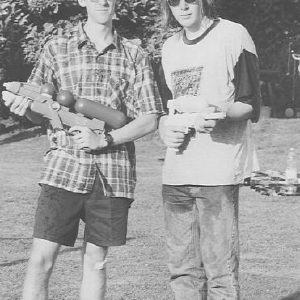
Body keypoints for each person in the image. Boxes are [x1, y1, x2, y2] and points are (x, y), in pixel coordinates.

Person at [2, 0, 163, 299]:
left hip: (112, 176)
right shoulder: (57, 47)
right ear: (82, 1)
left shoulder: (135, 54)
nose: (103, 1)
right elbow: (38, 107)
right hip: (63, 168)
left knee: (96, 262)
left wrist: (106, 140)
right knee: (40, 260)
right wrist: (24, 107)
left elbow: (150, 117)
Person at [157, 0, 261, 299]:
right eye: (174, 2)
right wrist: (168, 129)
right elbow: (167, 109)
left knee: (221, 273)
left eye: (190, 0)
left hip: (218, 172)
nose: (183, 7)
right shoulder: (169, 48)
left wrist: (216, 112)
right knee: (182, 272)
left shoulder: (233, 35)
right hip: (176, 172)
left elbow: (251, 104)